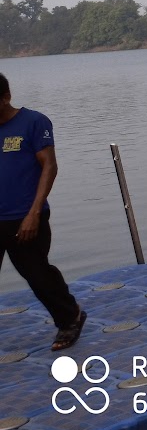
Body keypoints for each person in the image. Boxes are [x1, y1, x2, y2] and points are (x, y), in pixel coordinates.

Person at [0, 73, 86, 351]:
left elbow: (49, 166)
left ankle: (69, 316)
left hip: (25, 217)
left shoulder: (33, 122)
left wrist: (34, 213)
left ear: (6, 97)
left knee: (37, 274)